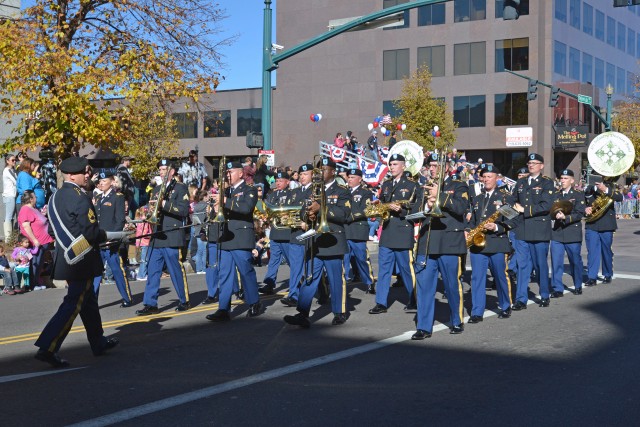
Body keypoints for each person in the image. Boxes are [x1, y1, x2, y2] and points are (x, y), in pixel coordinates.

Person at [34, 156, 119, 368]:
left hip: (66, 257)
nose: (88, 175)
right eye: (85, 172)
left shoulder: (54, 197)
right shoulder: (80, 197)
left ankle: (98, 341)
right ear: (72, 175)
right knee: (73, 303)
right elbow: (90, 232)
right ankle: (48, 346)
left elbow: (52, 230)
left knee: (87, 300)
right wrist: (110, 235)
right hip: (82, 260)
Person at [284, 158, 351, 328]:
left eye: (324, 170)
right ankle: (303, 312)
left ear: (333, 172)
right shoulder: (313, 190)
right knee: (310, 278)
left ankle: (339, 312)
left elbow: (344, 214)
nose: (320, 173)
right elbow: (302, 212)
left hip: (333, 240)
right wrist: (308, 215)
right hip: (316, 241)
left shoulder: (341, 191)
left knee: (335, 279)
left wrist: (321, 209)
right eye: (318, 170)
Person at [411, 153, 469, 339]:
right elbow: (412, 213)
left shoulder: (458, 185)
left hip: (449, 243)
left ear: (447, 167)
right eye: (431, 165)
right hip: (427, 243)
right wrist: (427, 207)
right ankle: (424, 327)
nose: (434, 168)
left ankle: (456, 321)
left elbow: (460, 209)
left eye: (437, 165)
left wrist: (440, 196)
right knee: (424, 287)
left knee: (452, 285)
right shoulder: (422, 188)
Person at [206, 161, 261, 322]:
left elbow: (246, 208)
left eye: (230, 172)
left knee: (245, 271)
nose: (227, 175)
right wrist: (214, 209)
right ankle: (223, 308)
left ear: (240, 173)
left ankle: (254, 302)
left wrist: (224, 201)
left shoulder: (249, 189)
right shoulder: (226, 191)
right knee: (225, 274)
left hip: (240, 238)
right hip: (225, 236)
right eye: (227, 172)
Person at [136, 160, 191, 315]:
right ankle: (150, 303)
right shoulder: (156, 189)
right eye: (160, 169)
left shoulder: (180, 188)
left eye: (164, 169)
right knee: (153, 271)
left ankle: (184, 300)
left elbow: (184, 210)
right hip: (157, 234)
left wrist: (165, 204)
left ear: (172, 171)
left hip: (172, 234)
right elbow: (152, 209)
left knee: (175, 270)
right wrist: (148, 214)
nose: (161, 172)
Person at [368, 154, 417, 315]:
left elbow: (418, 209)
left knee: (406, 269)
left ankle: (414, 298)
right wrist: (378, 204)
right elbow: (383, 202)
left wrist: (402, 210)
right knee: (384, 270)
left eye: (395, 164)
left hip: (403, 231)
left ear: (403, 166)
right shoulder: (387, 184)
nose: (392, 167)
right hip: (388, 231)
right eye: (391, 164)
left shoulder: (412, 185)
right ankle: (381, 303)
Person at [466, 165, 513, 324]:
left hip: (497, 244)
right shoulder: (477, 199)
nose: (486, 179)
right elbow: (472, 221)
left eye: (489, 176)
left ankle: (506, 306)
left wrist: (497, 227)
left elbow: (513, 220)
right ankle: (477, 311)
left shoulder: (504, 198)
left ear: (497, 178)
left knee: (500, 277)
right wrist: (468, 230)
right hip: (478, 245)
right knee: (477, 279)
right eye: (484, 177)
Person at [508, 153, 554, 309]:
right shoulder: (520, 182)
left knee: (540, 264)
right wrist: (505, 213)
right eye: (529, 163)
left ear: (541, 165)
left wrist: (524, 209)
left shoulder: (547, 183)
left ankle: (544, 294)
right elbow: (512, 202)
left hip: (539, 230)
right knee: (522, 265)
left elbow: (546, 205)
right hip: (521, 229)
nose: (531, 165)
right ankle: (521, 299)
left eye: (534, 163)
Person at [92, 171, 133, 306]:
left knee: (117, 270)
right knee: (96, 272)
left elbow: (119, 220)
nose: (101, 183)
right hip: (99, 241)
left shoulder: (117, 197)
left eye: (104, 181)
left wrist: (113, 238)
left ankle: (126, 298)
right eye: (100, 181)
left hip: (111, 241)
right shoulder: (98, 198)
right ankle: (92, 301)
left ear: (111, 181)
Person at [280, 163, 314, 307]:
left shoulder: (317, 191)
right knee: (295, 266)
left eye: (305, 174)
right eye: (300, 174)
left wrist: (309, 222)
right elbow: (288, 211)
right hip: (296, 234)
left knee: (312, 268)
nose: (302, 177)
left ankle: (323, 291)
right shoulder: (294, 192)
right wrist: (285, 218)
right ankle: (293, 294)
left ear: (312, 175)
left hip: (311, 233)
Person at [550, 169, 586, 296]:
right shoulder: (556, 195)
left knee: (575, 261)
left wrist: (566, 217)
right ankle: (557, 288)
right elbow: (551, 211)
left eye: (565, 178)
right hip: (557, 233)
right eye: (561, 178)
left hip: (572, 233)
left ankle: (577, 285)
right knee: (556, 262)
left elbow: (580, 212)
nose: (562, 180)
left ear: (572, 180)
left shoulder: (578, 195)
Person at [584, 177, 623, 286]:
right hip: (592, 224)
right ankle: (592, 277)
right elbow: (582, 203)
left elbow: (620, 197)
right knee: (592, 251)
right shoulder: (589, 189)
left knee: (606, 251)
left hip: (607, 224)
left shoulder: (610, 186)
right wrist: (585, 209)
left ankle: (607, 273)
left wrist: (605, 189)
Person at [259, 171, 292, 295]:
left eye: (281, 181)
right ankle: (269, 283)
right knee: (273, 260)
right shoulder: (272, 195)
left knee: (291, 261)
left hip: (286, 232)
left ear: (287, 182)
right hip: (275, 232)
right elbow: (268, 210)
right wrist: (266, 218)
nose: (278, 183)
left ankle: (298, 281)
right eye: (277, 181)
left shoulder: (291, 194)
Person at [343, 168, 375, 293]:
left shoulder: (365, 192)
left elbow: (365, 209)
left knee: (361, 258)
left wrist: (349, 217)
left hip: (357, 230)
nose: (349, 179)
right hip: (345, 229)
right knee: (344, 258)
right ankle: (344, 281)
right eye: (349, 177)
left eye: (352, 177)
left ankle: (369, 281)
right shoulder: (344, 192)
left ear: (360, 179)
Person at [18, 190, 55, 289]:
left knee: (39, 264)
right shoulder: (25, 209)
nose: (36, 199)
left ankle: (36, 283)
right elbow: (26, 226)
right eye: (35, 197)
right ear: (30, 199)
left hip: (42, 242)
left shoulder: (33, 209)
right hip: (35, 243)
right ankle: (32, 284)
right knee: (34, 263)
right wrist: (34, 240)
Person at [2, 153, 17, 239]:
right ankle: (8, 239)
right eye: (12, 160)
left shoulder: (13, 170)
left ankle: (10, 237)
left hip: (13, 195)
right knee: (9, 216)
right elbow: (16, 181)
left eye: (15, 160)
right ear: (7, 161)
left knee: (11, 216)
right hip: (9, 196)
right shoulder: (7, 171)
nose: (14, 162)